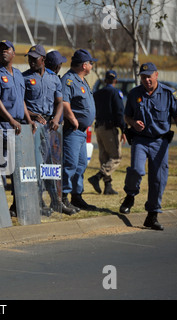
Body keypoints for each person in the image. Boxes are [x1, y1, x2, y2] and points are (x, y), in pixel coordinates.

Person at [119, 63, 177, 230]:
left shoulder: (169, 94)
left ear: (156, 75)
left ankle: (152, 215)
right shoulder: (135, 93)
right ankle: (130, 195)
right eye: (143, 77)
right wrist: (133, 123)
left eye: (149, 76)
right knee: (136, 170)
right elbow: (127, 116)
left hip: (160, 142)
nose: (146, 79)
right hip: (141, 140)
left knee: (158, 179)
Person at [0, 40, 37, 216]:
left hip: (19, 126)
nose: (3, 52)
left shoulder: (18, 74)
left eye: (6, 49)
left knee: (19, 168)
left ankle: (16, 205)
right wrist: (10, 119)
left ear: (13, 53)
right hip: (3, 125)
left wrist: (29, 120)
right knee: (2, 168)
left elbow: (22, 100)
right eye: (0, 50)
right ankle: (0, 205)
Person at [22, 44, 64, 215]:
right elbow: (21, 102)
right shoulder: (24, 77)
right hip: (34, 126)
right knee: (37, 165)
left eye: (35, 58)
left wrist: (55, 118)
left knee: (50, 166)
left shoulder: (54, 78)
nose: (31, 61)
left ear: (43, 59)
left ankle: (54, 200)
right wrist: (31, 116)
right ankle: (37, 201)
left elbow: (60, 102)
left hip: (50, 127)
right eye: (29, 58)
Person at [60, 49, 98, 213]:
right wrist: (73, 118)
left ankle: (77, 196)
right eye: (91, 62)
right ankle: (62, 198)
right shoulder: (69, 80)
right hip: (73, 131)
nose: (92, 65)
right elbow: (64, 102)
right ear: (84, 65)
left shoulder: (81, 80)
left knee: (81, 165)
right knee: (70, 165)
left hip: (82, 132)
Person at [88, 70, 126, 195]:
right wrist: (124, 129)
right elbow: (119, 112)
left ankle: (108, 186)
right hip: (109, 128)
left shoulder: (97, 93)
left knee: (105, 158)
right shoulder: (115, 93)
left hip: (98, 127)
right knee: (115, 157)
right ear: (115, 81)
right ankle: (97, 177)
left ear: (105, 81)